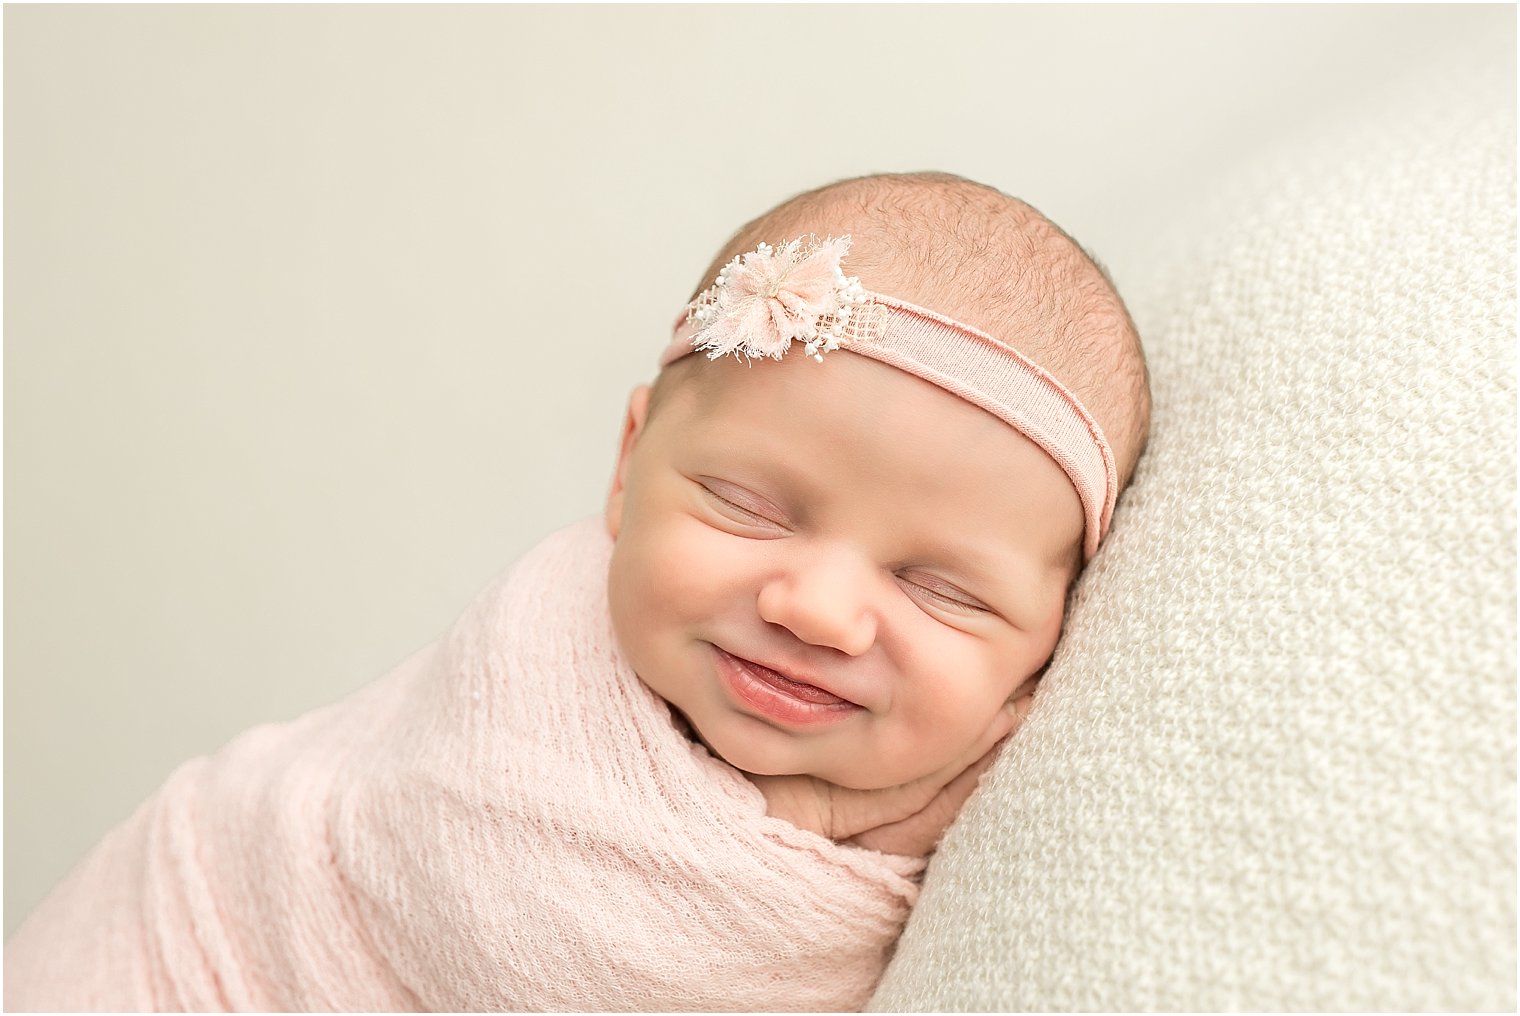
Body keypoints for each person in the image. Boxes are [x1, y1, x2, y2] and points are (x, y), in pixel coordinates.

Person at [4, 171, 1150, 1012]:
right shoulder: (543, 646)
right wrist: (815, 822)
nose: (816, 607)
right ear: (627, 465)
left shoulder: (1011, 800)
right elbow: (508, 930)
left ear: (1045, 651)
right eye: (748, 505)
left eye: (940, 588)